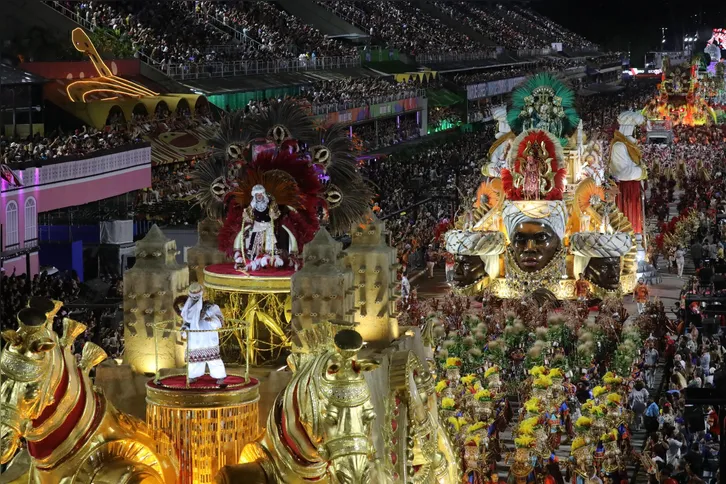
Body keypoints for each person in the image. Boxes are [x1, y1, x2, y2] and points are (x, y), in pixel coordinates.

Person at [179, 283, 227, 385]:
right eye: (193, 297)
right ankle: (193, 376)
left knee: (213, 359)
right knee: (194, 360)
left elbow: (220, 321)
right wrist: (184, 329)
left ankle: (220, 376)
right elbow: (187, 323)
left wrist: (212, 320)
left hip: (208, 337)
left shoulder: (210, 307)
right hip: (195, 339)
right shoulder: (188, 310)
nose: (195, 299)